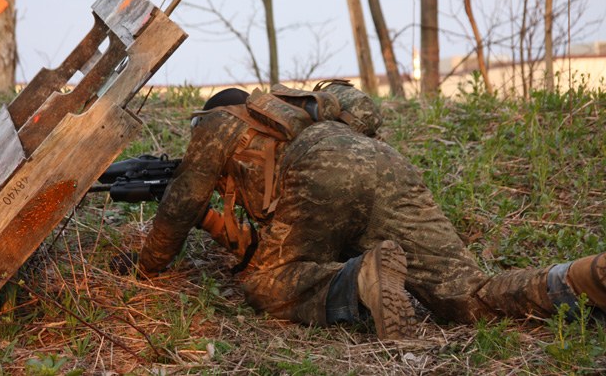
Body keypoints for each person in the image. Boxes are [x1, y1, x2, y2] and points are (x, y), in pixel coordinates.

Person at [136, 81, 606, 340]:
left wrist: (147, 268)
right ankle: (582, 279)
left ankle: (362, 279)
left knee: (265, 283)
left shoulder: (221, 121)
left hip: (318, 169)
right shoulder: (300, 109)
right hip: (387, 164)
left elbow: (180, 205)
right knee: (467, 295)